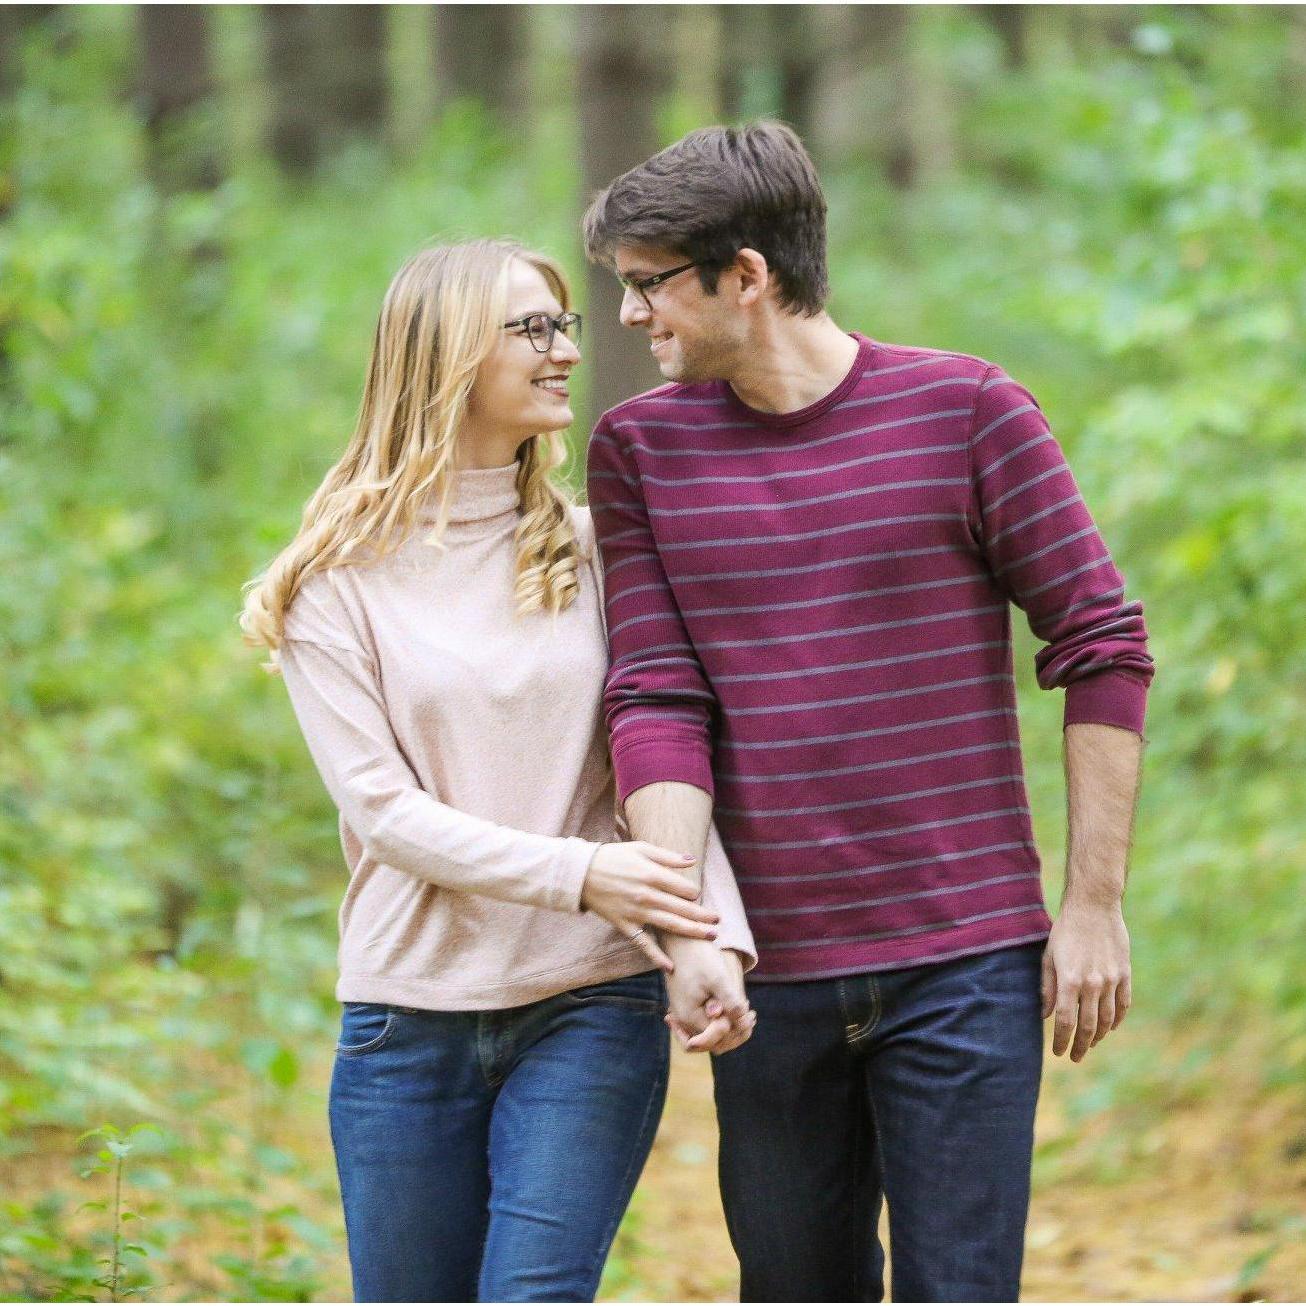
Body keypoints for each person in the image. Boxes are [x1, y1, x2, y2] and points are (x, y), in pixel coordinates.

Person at [582, 123, 1154, 1303]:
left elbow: (1099, 645)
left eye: (648, 286)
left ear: (746, 274)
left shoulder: (970, 411)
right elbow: (654, 693)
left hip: (965, 963)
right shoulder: (639, 448)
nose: (631, 317)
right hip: (772, 971)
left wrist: (1092, 905)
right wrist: (690, 929)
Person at [239, 238, 755, 1304]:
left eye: (561, 325)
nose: (565, 349)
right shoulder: (332, 582)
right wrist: (581, 873)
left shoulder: (597, 548)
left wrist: (711, 937)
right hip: (404, 1017)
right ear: (443, 355)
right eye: (533, 327)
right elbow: (382, 812)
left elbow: (659, 751)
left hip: (590, 1001)